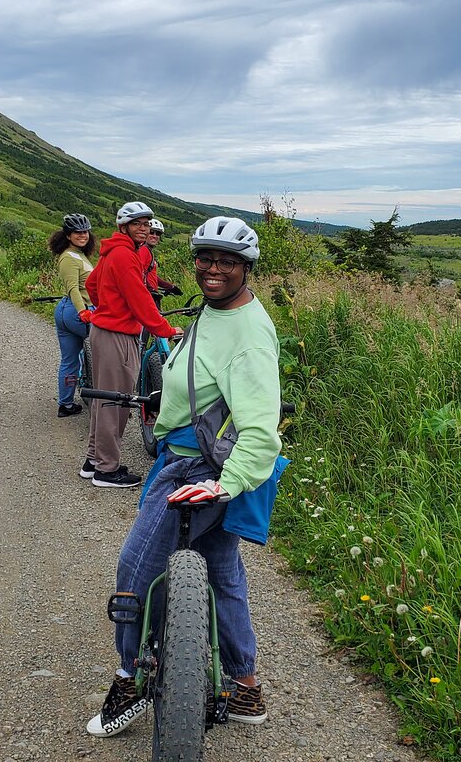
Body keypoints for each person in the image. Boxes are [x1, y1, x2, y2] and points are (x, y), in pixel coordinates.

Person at [87, 216, 284, 737]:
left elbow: (261, 431)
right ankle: (245, 688)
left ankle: (129, 679)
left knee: (136, 571)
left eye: (228, 261)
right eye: (206, 258)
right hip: (197, 459)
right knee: (222, 574)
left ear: (246, 267)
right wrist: (165, 397)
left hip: (197, 470)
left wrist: (224, 483)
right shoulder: (217, 310)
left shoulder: (248, 335)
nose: (213, 268)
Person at [83, 202, 183, 488]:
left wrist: (107, 307)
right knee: (117, 403)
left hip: (103, 332)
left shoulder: (112, 251)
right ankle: (107, 470)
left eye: (146, 223)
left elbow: (92, 285)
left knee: (105, 399)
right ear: (123, 226)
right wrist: (165, 329)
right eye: (137, 223)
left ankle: (93, 461)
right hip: (117, 336)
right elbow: (140, 300)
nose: (144, 228)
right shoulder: (125, 255)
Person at [50, 213, 96, 417]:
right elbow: (73, 289)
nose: (82, 235)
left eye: (85, 231)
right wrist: (82, 311)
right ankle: (105, 402)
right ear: (68, 235)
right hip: (77, 309)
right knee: (105, 351)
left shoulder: (78, 254)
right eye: (77, 232)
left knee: (70, 360)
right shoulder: (69, 257)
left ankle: (66, 404)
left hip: (66, 312)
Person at [139, 217, 182, 308]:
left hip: (150, 294)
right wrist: (150, 290)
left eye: (158, 233)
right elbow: (139, 274)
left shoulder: (148, 251)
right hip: (147, 296)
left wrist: (170, 287)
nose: (155, 236)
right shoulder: (144, 250)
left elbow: (152, 276)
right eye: (151, 232)